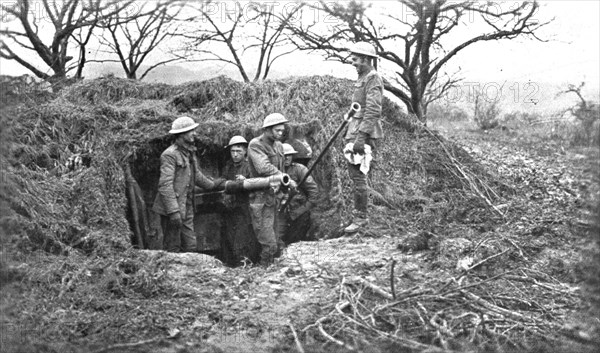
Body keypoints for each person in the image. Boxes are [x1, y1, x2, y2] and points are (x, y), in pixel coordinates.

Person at [152, 116, 225, 252]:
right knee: (172, 246)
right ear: (181, 134)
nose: (194, 133)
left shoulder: (189, 153)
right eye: (190, 131)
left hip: (187, 206)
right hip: (171, 209)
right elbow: (165, 185)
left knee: (191, 245)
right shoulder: (169, 155)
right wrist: (173, 212)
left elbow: (197, 176)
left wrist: (215, 184)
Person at [343, 41, 384, 233]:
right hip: (355, 129)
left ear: (367, 59)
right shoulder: (363, 78)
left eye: (356, 59)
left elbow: (373, 109)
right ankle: (358, 215)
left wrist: (361, 137)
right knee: (355, 175)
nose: (353, 63)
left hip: (363, 133)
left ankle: (360, 218)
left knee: (358, 176)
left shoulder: (373, 78)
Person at [247, 113, 288, 266]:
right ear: (267, 130)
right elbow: (263, 167)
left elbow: (281, 168)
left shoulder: (278, 145)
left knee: (276, 241)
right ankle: (262, 272)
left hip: (274, 197)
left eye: (282, 130)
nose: (281, 133)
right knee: (269, 243)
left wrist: (284, 185)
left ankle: (271, 271)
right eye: (277, 130)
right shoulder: (255, 144)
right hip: (260, 199)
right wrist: (284, 177)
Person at [220, 135, 259, 265]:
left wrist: (245, 180)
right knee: (229, 237)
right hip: (230, 208)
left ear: (245, 151)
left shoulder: (249, 167)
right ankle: (231, 265)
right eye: (233, 151)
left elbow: (257, 185)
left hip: (245, 209)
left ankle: (244, 264)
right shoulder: (227, 166)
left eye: (239, 151)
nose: (235, 155)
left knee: (243, 239)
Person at [276, 143, 319, 244]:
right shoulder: (273, 171)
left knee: (296, 241)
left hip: (299, 212)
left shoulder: (299, 169)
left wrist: (301, 210)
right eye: (283, 156)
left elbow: (313, 192)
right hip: (280, 212)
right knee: (277, 240)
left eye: (289, 155)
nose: (287, 158)